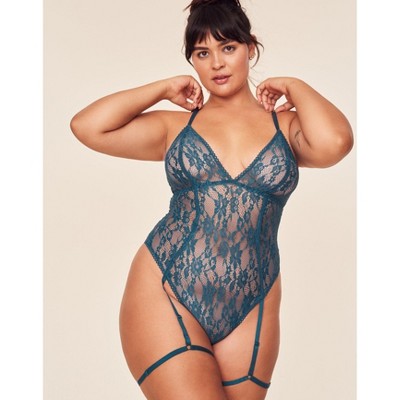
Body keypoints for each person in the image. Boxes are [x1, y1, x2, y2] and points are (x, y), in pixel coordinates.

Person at [70, 0, 353, 399]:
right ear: (192, 61)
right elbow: (87, 126)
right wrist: (162, 89)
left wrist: (295, 86)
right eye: (202, 53)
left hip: (252, 302)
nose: (217, 63)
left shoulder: (287, 126)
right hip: (167, 287)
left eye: (228, 48)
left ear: (250, 49)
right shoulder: (176, 127)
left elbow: (336, 142)